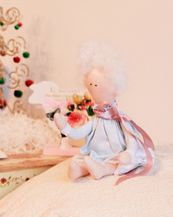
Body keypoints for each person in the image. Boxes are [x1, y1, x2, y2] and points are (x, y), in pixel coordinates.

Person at [54, 43, 154, 184]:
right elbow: (78, 133)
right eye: (90, 85)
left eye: (96, 85)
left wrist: (129, 152)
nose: (93, 88)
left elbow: (130, 135)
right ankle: (80, 170)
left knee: (126, 161)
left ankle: (103, 170)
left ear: (115, 87)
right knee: (83, 160)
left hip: (117, 155)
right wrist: (65, 127)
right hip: (97, 156)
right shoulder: (95, 120)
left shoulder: (119, 117)